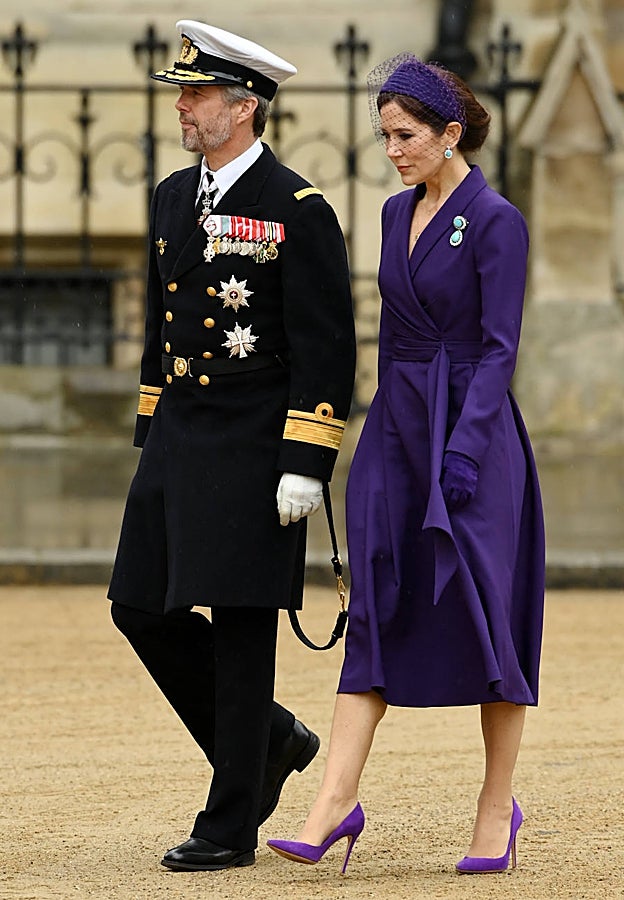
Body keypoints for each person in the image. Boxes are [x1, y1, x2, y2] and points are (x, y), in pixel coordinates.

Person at [267, 53, 545, 876]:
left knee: (489, 617)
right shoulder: (393, 215)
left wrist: (462, 450)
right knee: (378, 608)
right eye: (385, 135)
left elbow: (500, 352)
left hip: (476, 443)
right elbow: (388, 340)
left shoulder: (497, 220)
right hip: (398, 432)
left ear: (450, 134)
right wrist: (376, 447)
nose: (391, 149)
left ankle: (497, 812)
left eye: (407, 135)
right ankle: (330, 804)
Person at [108, 20, 355, 872]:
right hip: (179, 440)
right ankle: (274, 739)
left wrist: (308, 460)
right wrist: (150, 429)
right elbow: (158, 319)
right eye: (183, 92)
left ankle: (230, 820)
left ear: (243, 108)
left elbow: (326, 348)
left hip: (256, 449)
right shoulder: (175, 196)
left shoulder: (297, 211)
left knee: (245, 628)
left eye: (196, 94)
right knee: (137, 605)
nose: (182, 106)